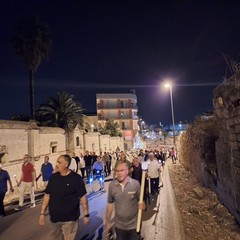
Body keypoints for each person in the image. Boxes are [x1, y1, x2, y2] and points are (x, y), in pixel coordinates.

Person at [39, 154, 90, 240]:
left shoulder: (76, 178)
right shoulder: (54, 178)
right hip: (55, 219)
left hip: (70, 220)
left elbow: (83, 198)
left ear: (66, 164)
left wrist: (86, 214)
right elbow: (47, 195)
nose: (56, 164)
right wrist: (42, 213)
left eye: (59, 162)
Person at [105, 160, 145, 240]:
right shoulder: (112, 186)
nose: (119, 173)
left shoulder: (135, 184)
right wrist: (107, 221)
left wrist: (143, 206)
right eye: (117, 171)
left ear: (127, 171)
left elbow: (142, 203)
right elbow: (110, 204)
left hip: (134, 226)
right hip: (119, 227)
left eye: (122, 170)